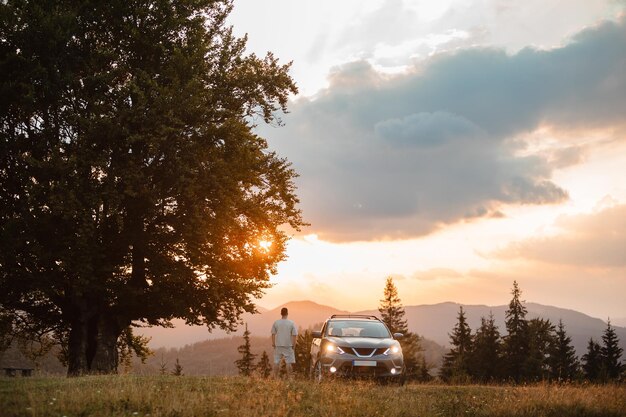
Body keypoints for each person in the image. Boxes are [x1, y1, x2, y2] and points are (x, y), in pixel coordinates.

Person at [271, 307, 298, 378]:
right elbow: (294, 335)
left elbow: (273, 334)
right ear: (287, 313)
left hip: (278, 345)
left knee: (276, 362)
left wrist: (273, 343)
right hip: (288, 345)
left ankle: (275, 378)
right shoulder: (291, 323)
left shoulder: (276, 322)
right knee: (288, 362)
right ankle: (290, 378)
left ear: (281, 314)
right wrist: (294, 345)